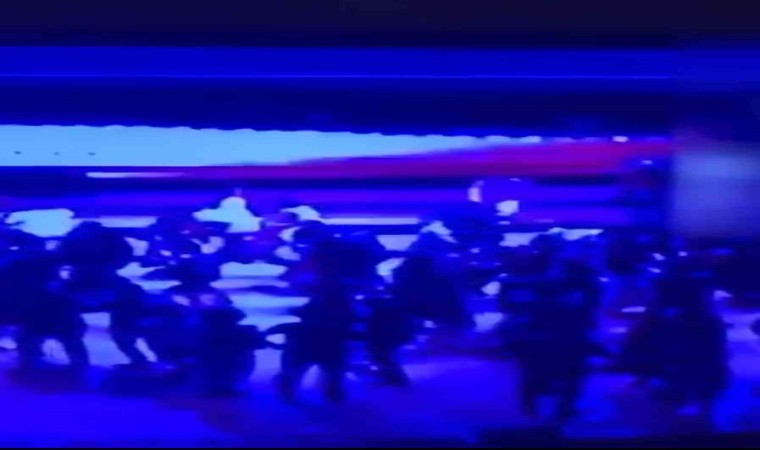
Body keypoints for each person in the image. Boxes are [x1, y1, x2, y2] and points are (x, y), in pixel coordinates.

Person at [196, 305, 263, 396]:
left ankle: (225, 387)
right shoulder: (247, 329)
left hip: (234, 358)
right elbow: (259, 344)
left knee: (229, 373)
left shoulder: (204, 332)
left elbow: (258, 344)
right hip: (230, 359)